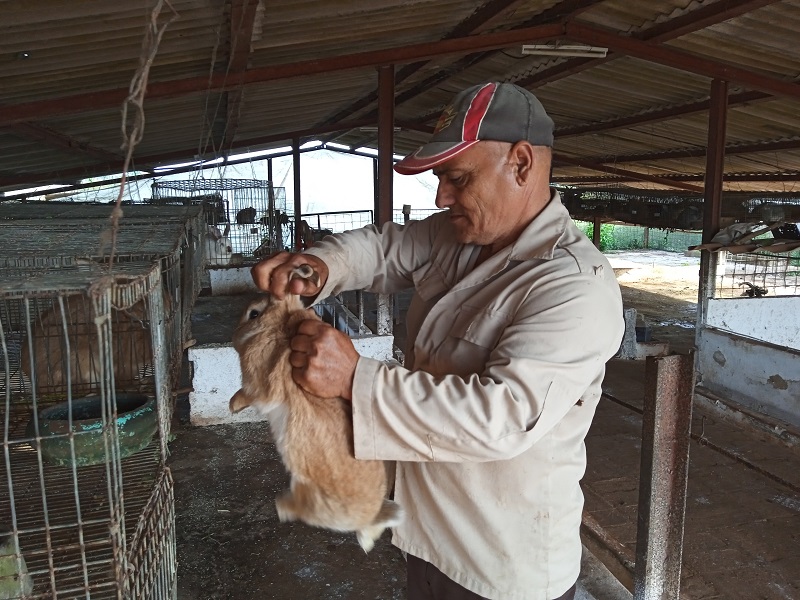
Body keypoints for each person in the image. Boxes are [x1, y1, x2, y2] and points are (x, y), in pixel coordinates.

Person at [251, 82, 624, 600]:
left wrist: (356, 377)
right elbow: (385, 249)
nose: (442, 196)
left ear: (520, 163)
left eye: (457, 177)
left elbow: (501, 417)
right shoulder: (459, 237)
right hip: (428, 538)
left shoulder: (573, 286)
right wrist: (320, 266)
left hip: (498, 565)